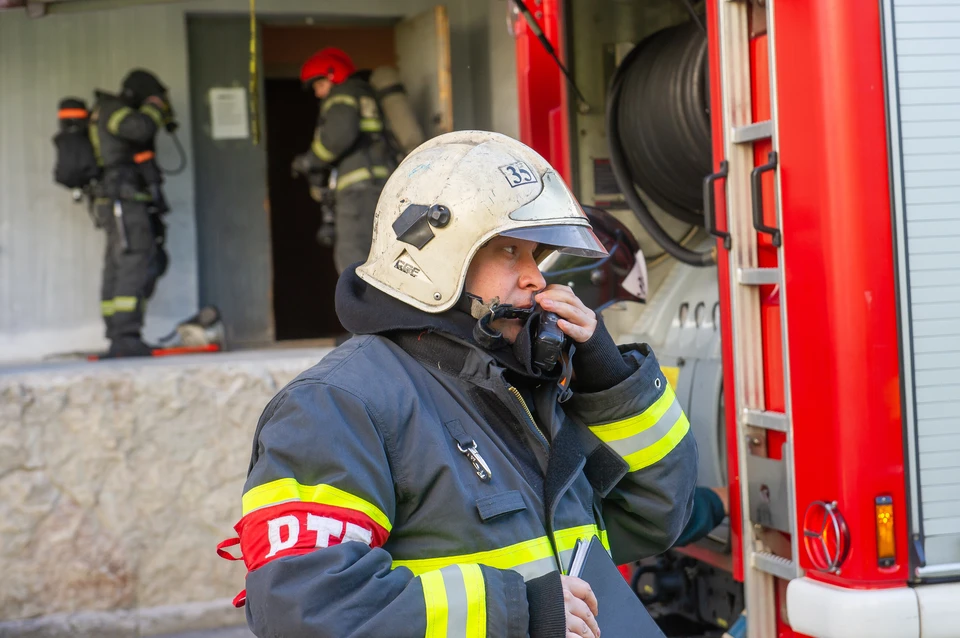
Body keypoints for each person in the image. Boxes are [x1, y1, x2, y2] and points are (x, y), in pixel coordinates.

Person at [225, 131, 697, 638]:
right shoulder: (337, 405)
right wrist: (521, 612)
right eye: (510, 252)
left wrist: (610, 380)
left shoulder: (516, 390)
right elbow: (303, 609)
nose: (536, 279)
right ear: (435, 257)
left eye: (536, 256)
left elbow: (654, 514)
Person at [91, 69, 176, 357]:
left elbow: (140, 150)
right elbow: (141, 129)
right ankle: (124, 335)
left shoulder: (113, 111)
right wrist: (154, 106)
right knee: (132, 259)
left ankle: (120, 333)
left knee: (124, 261)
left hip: (125, 199)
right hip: (122, 198)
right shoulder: (115, 110)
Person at [292, 47, 395, 273]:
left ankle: (359, 308)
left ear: (333, 75)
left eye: (319, 85)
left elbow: (337, 136)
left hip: (357, 193)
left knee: (352, 258)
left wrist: (309, 161)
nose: (318, 93)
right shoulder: (365, 94)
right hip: (380, 185)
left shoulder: (342, 95)